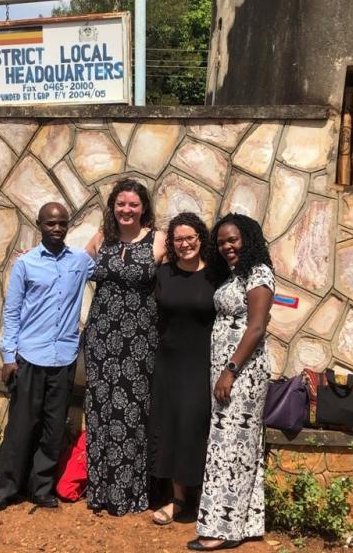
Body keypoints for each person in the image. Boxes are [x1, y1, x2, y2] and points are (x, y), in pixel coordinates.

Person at [0, 202, 95, 513]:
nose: (57, 228)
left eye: (62, 223)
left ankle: (41, 489)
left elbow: (108, 266)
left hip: (63, 360)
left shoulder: (79, 262)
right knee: (20, 428)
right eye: (51, 224)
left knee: (52, 429)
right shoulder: (26, 264)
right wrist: (9, 356)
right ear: (39, 225)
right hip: (29, 358)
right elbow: (12, 312)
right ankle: (6, 490)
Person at [188, 213, 274, 551]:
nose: (227, 247)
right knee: (238, 445)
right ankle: (247, 522)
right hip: (228, 369)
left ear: (247, 239)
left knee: (229, 447)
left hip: (243, 372)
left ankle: (220, 530)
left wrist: (231, 369)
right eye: (222, 242)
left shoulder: (259, 273)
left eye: (233, 240)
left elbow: (256, 327)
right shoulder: (235, 275)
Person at [82, 178, 166, 516]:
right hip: (101, 337)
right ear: (112, 207)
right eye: (120, 204)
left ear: (143, 207)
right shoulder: (102, 239)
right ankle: (101, 490)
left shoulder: (157, 240)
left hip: (140, 340)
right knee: (101, 409)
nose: (126, 210)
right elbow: (73, 265)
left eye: (133, 204)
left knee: (132, 411)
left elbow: (184, 273)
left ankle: (129, 492)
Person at [149, 212, 216, 526]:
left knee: (195, 427)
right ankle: (177, 500)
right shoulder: (163, 274)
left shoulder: (217, 275)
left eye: (191, 237)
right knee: (173, 427)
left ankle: (204, 499)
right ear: (171, 244)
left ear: (200, 238)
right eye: (179, 239)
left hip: (203, 364)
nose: (185, 243)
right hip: (168, 363)